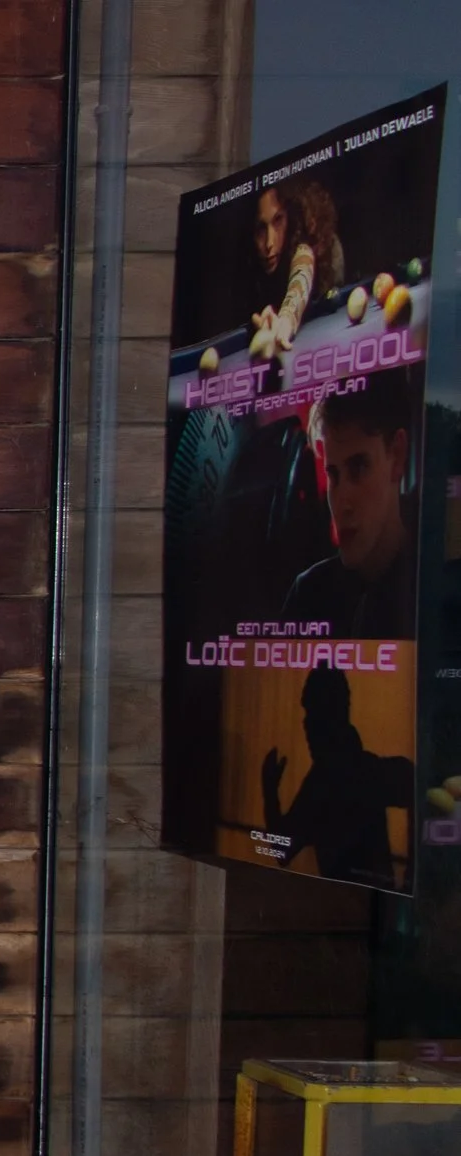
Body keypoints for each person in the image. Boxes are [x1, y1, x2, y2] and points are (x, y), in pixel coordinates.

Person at [281, 376, 417, 639]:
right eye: (333, 474)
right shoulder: (308, 595)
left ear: (397, 455)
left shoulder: (430, 587)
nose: (342, 502)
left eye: (359, 467)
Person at [262, 665, 413, 891]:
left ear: (336, 715)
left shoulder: (328, 781)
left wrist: (269, 790)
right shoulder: (355, 772)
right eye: (308, 714)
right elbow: (281, 850)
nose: (306, 724)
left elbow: (281, 850)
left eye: (315, 713)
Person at [248, 178, 341, 349]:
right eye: (261, 229)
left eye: (278, 221)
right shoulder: (252, 271)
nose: (269, 243)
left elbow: (302, 273)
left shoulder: (303, 245)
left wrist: (286, 319)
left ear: (291, 217)